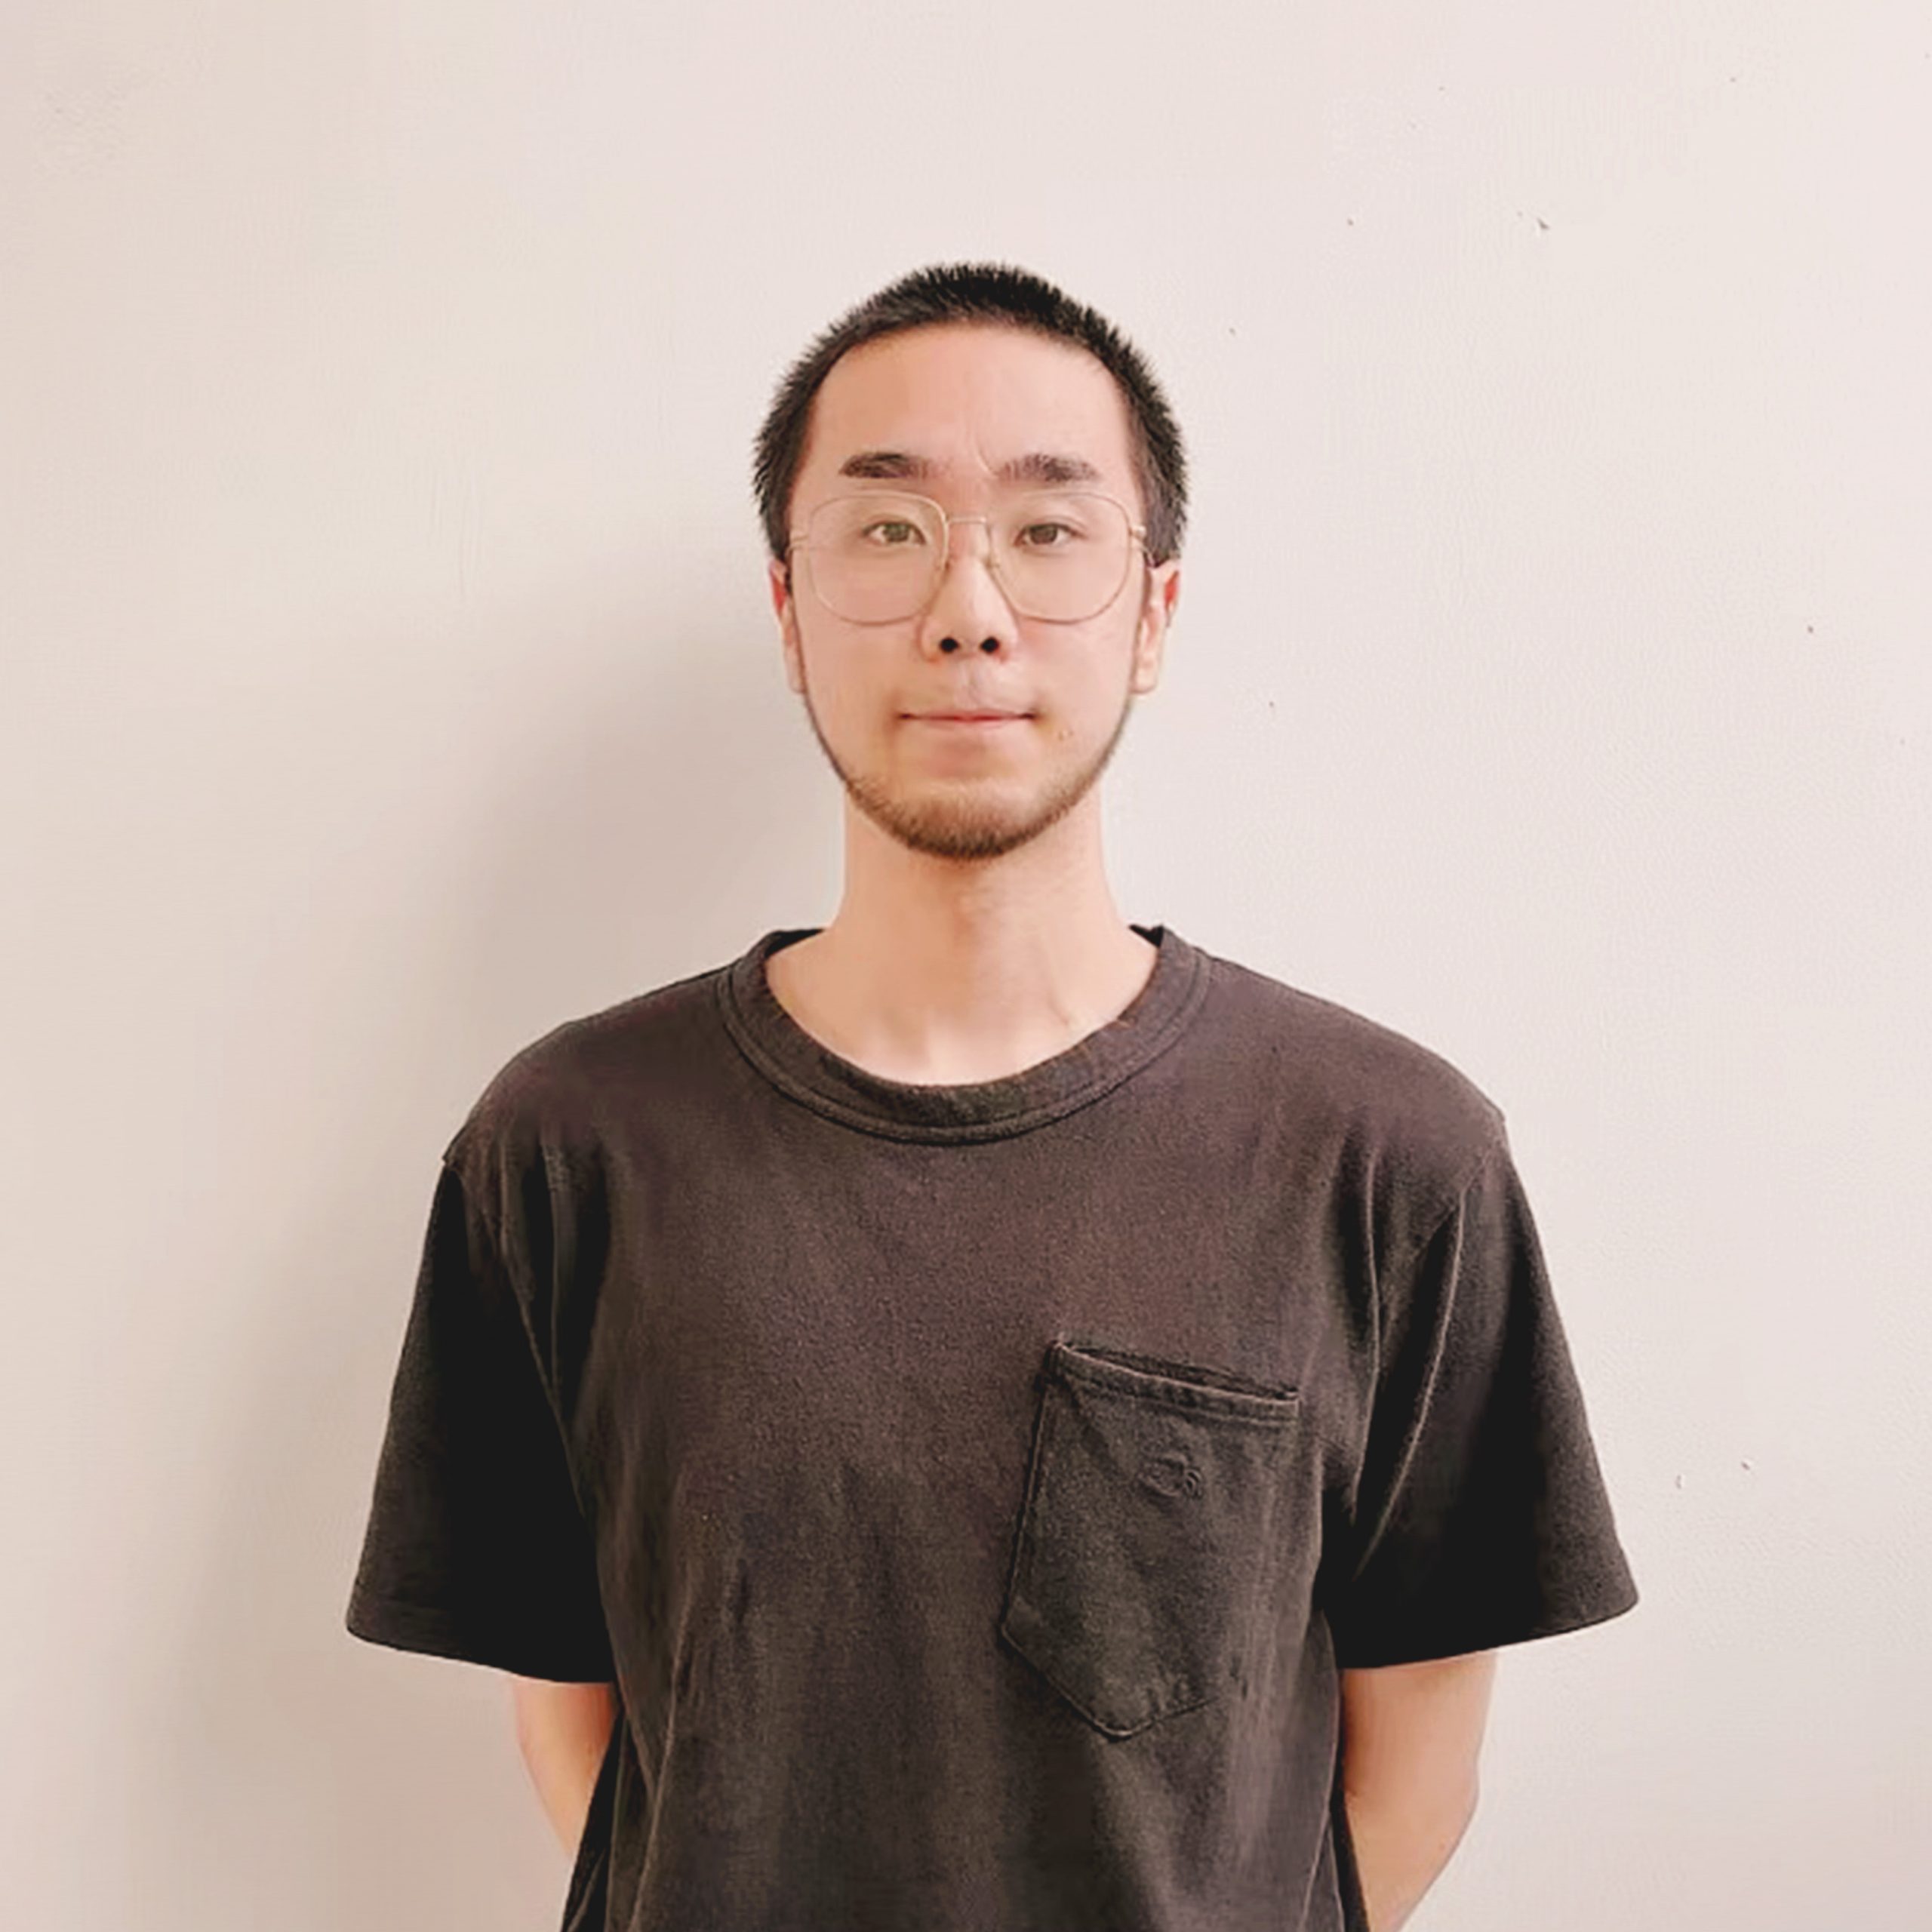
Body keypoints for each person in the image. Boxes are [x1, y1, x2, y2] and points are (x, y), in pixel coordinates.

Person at [344, 260, 1639, 1931]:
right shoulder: (569, 1146)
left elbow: (1408, 1780)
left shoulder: (1385, 1157)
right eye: (887, 529)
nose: (968, 607)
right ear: (787, 609)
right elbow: (585, 1735)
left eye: (1046, 528)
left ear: (1152, 614)